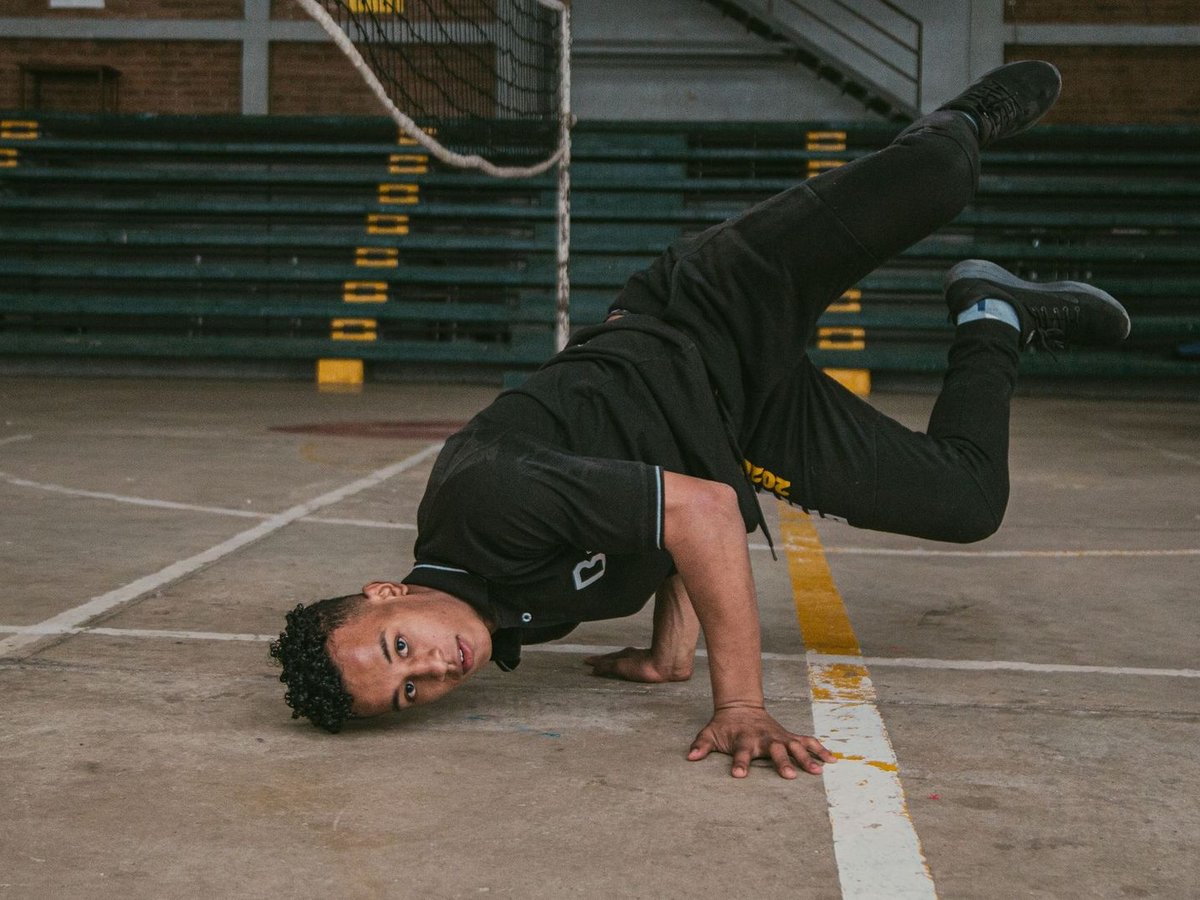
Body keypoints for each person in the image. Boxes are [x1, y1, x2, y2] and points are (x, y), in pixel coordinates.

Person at [269, 61, 1131, 779]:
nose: (430, 669)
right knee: (967, 502)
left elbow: (700, 514)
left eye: (397, 650)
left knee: (940, 175)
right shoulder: (503, 616)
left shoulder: (481, 504)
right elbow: (653, 506)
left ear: (387, 596)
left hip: (707, 313)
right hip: (739, 424)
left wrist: (741, 704)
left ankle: (964, 117)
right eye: (410, 692)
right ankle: (994, 316)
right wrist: (668, 653)